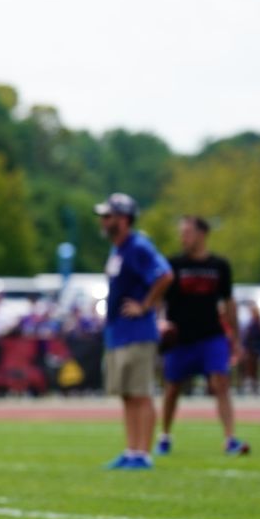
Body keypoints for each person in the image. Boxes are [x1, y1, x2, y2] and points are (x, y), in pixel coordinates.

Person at [155, 216, 250, 457]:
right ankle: (164, 435)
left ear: (202, 234)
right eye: (181, 232)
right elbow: (159, 298)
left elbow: (228, 302)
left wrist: (236, 339)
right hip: (181, 337)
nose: (182, 237)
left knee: (221, 383)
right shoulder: (173, 265)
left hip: (211, 335)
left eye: (187, 232)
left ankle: (230, 438)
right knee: (173, 388)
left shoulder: (219, 266)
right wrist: (160, 322)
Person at [97, 192, 174, 470]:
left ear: (124, 219)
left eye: (108, 216)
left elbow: (164, 274)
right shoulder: (118, 249)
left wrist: (145, 305)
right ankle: (131, 451)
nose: (103, 221)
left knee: (140, 393)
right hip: (119, 332)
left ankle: (143, 453)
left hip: (138, 332)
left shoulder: (138, 246)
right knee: (127, 394)